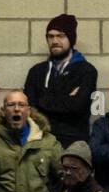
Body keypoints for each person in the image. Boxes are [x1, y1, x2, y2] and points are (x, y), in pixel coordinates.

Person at [23, 15, 97, 148]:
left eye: (61, 36)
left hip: (73, 142)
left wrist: (43, 100)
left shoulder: (86, 71)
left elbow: (78, 107)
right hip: (40, 140)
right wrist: (66, 100)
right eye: (50, 36)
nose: (55, 41)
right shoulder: (36, 72)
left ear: (71, 39)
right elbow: (30, 109)